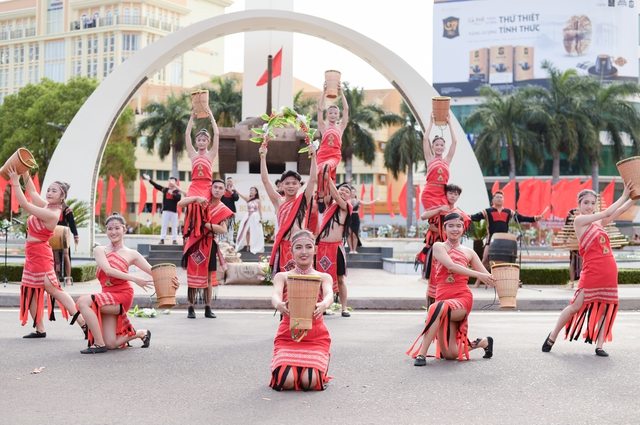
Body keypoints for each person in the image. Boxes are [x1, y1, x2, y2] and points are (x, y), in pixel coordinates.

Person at [542, 185, 634, 357]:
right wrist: (624, 195)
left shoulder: (598, 223)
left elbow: (622, 210)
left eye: (593, 203)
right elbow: (607, 213)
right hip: (591, 270)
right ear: (579, 205)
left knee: (607, 307)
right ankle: (552, 336)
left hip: (609, 269)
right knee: (576, 306)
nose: (589, 206)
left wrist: (634, 196)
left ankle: (599, 346)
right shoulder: (579, 221)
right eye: (586, 203)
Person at [75, 213, 180, 354]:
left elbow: (155, 272)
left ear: (124, 230)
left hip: (122, 295)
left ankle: (99, 344)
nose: (113, 232)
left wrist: (172, 281)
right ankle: (140, 333)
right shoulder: (100, 250)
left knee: (83, 302)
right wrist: (135, 279)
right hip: (106, 296)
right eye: (109, 229)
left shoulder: (132, 254)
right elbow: (108, 270)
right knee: (111, 344)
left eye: (117, 228)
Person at [6, 167, 86, 338]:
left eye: (53, 190)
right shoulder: (48, 206)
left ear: (62, 196)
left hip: (41, 254)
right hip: (33, 253)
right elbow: (33, 192)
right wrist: (24, 171)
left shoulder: (53, 214)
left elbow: (26, 204)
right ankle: (39, 329)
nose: (49, 192)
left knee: (54, 290)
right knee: (31, 289)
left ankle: (83, 323)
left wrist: (14, 181)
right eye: (48, 189)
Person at [407, 213, 495, 366]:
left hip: (462, 299)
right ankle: (482, 342)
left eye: (459, 226)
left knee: (435, 307)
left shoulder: (470, 253)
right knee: (450, 354)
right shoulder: (438, 246)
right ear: (444, 228)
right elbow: (451, 266)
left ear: (463, 228)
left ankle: (421, 354)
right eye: (451, 226)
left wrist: (510, 281)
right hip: (443, 300)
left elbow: (487, 276)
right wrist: (478, 274)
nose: (455, 229)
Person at [270, 230, 334, 391]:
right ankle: (293, 368)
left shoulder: (324, 277)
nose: (303, 251)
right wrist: (280, 305)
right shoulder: (282, 276)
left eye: (308, 247)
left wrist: (324, 305)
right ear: (291, 252)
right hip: (288, 336)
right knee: (287, 382)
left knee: (310, 382)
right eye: (298, 247)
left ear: (315, 249)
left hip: (315, 337)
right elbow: (275, 296)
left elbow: (330, 295)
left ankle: (315, 367)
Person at [179, 179, 233, 319]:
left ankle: (208, 308)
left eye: (221, 188)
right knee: (192, 276)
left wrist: (205, 225)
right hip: (195, 243)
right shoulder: (201, 202)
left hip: (209, 244)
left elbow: (222, 229)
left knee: (209, 277)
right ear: (210, 188)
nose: (217, 190)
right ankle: (190, 307)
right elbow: (180, 204)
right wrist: (196, 198)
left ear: (224, 191)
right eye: (215, 187)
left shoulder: (224, 210)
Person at [260, 143, 317, 274]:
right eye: (287, 183)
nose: (291, 186)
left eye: (294, 183)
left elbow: (313, 179)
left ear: (299, 186)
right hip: (283, 245)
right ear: (282, 186)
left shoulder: (303, 200)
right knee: (282, 280)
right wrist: (263, 157)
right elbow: (265, 180)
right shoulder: (278, 201)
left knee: (301, 280)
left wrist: (314, 157)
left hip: (299, 246)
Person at [469, 190, 543, 285]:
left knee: (505, 262)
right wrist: (468, 216)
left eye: (501, 197)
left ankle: (502, 282)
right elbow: (476, 217)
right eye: (497, 197)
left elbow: (520, 218)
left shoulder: (508, 212)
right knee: (485, 260)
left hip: (504, 241)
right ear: (493, 199)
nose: (499, 199)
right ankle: (478, 282)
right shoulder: (487, 211)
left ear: (503, 200)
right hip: (491, 240)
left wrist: (535, 218)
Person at [418, 184, 470, 306]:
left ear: (458, 197)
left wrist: (438, 230)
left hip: (454, 250)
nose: (453, 196)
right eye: (450, 193)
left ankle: (451, 306)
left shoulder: (459, 213)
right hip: (438, 250)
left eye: (456, 194)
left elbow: (460, 231)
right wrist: (439, 210)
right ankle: (430, 309)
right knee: (433, 281)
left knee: (453, 279)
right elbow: (423, 216)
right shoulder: (439, 208)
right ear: (445, 194)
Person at [316, 181, 352, 317]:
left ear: (350, 197)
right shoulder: (329, 206)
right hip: (321, 248)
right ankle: (322, 306)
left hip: (335, 248)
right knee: (319, 278)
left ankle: (344, 308)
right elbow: (327, 192)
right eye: (341, 190)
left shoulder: (346, 207)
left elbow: (336, 196)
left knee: (340, 278)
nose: (343, 193)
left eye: (346, 192)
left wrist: (328, 176)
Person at [182, 106, 219, 240]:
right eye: (199, 140)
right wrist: (191, 118)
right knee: (190, 205)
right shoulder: (193, 154)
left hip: (206, 186)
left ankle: (205, 232)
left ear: (208, 142)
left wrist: (212, 117)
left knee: (203, 207)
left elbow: (217, 134)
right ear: (196, 142)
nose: (201, 142)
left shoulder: (211, 154)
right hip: (195, 185)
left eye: (204, 140)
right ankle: (189, 232)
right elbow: (187, 135)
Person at [316, 82, 348, 213]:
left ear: (338, 116)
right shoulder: (323, 127)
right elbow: (319, 109)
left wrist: (341, 92)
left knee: (325, 169)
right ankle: (322, 197)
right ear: (327, 115)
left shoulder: (340, 127)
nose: (333, 115)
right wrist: (324, 93)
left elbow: (346, 109)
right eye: (330, 113)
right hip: (321, 155)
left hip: (334, 156)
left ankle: (326, 195)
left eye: (335, 113)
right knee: (321, 174)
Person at [420, 112, 457, 214]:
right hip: (429, 193)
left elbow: (454, 142)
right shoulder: (429, 158)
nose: (439, 147)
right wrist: (431, 122)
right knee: (433, 221)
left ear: (444, 147)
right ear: (432, 147)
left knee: (445, 217)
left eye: (441, 145)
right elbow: (425, 139)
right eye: (437, 145)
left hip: (442, 193)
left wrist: (450, 123)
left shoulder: (447, 160)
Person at [143, 173, 186, 245]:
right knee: (164, 225)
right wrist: (149, 179)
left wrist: (172, 194)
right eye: (170, 180)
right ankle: (162, 239)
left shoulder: (177, 191)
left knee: (174, 226)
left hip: (174, 211)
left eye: (173, 181)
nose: (171, 182)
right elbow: (157, 186)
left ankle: (174, 239)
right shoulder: (165, 189)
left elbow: (178, 199)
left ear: (175, 182)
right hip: (165, 210)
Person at [346, 187, 378, 254]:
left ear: (355, 193)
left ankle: (354, 250)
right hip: (348, 218)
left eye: (354, 192)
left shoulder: (358, 201)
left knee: (355, 234)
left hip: (355, 218)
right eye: (351, 192)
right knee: (349, 234)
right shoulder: (346, 201)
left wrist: (376, 200)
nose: (353, 193)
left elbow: (367, 203)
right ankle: (351, 249)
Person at [56, 203, 79, 286]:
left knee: (66, 255)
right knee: (56, 256)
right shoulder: (50, 207)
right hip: (54, 234)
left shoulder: (66, 209)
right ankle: (56, 277)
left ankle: (68, 277)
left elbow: (72, 223)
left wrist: (75, 235)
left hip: (64, 234)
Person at [235, 187, 265, 254]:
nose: (251, 191)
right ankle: (248, 245)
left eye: (253, 190)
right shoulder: (248, 199)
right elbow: (240, 194)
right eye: (250, 190)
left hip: (255, 217)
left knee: (254, 231)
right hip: (248, 216)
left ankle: (253, 245)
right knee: (247, 231)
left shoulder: (258, 201)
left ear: (256, 192)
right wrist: (234, 187)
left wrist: (261, 218)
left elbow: (260, 209)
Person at [564, 208, 582, 287]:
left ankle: (581, 281)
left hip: (582, 239)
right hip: (573, 240)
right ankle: (572, 282)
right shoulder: (571, 212)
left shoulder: (586, 213)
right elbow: (567, 228)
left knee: (582, 261)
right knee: (573, 260)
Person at [221, 177, 239, 243]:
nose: (229, 182)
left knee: (231, 226)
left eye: (230, 181)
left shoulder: (234, 191)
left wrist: (231, 192)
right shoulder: (223, 190)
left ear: (232, 183)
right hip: (223, 211)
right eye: (228, 181)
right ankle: (223, 239)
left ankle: (230, 239)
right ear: (226, 182)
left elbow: (236, 199)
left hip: (231, 211)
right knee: (223, 224)